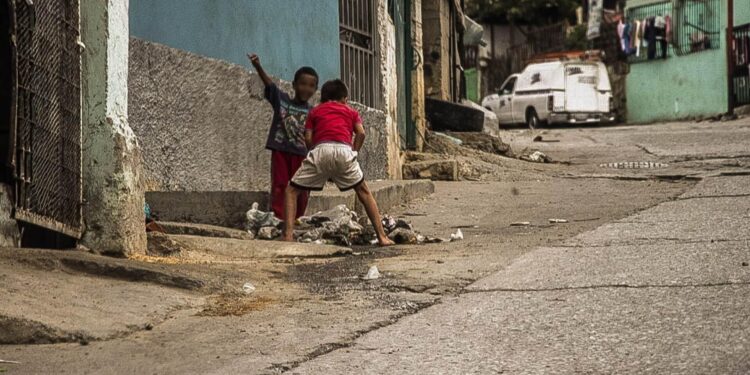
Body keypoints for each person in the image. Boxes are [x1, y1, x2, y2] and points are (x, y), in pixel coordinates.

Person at [282, 79, 394, 246]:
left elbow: (308, 137)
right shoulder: (351, 112)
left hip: (320, 150)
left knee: (291, 191)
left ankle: (288, 235)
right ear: (344, 98)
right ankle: (382, 237)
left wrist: (314, 153)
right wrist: (354, 152)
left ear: (323, 97)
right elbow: (361, 134)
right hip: (344, 150)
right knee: (363, 191)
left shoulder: (315, 112)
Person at [248, 53, 318, 220]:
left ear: (315, 90)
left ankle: (298, 218)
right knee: (279, 184)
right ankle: (279, 217)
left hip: (301, 155)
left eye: (311, 86)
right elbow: (270, 86)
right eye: (302, 84)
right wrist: (258, 66)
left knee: (302, 186)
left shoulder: (313, 112)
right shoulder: (282, 100)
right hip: (281, 151)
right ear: (294, 85)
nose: (306, 89)